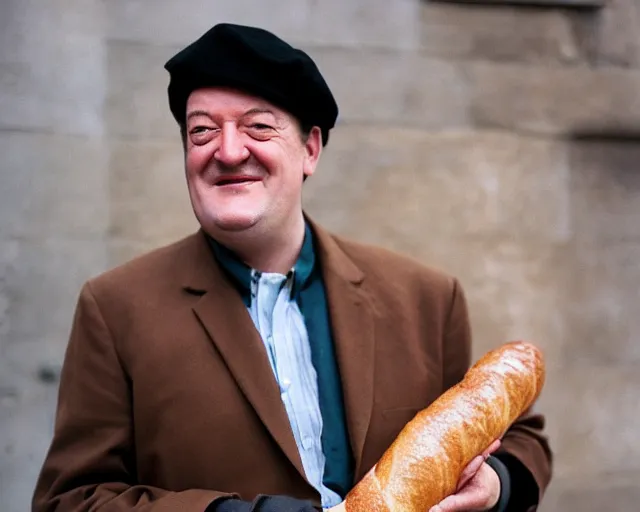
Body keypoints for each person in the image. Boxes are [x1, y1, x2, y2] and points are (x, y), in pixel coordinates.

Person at [32, 23, 552, 512]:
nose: (228, 151)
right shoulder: (116, 309)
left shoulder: (426, 297)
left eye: (258, 127)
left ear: (309, 149)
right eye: (201, 132)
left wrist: (496, 485)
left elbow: (520, 439)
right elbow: (72, 499)